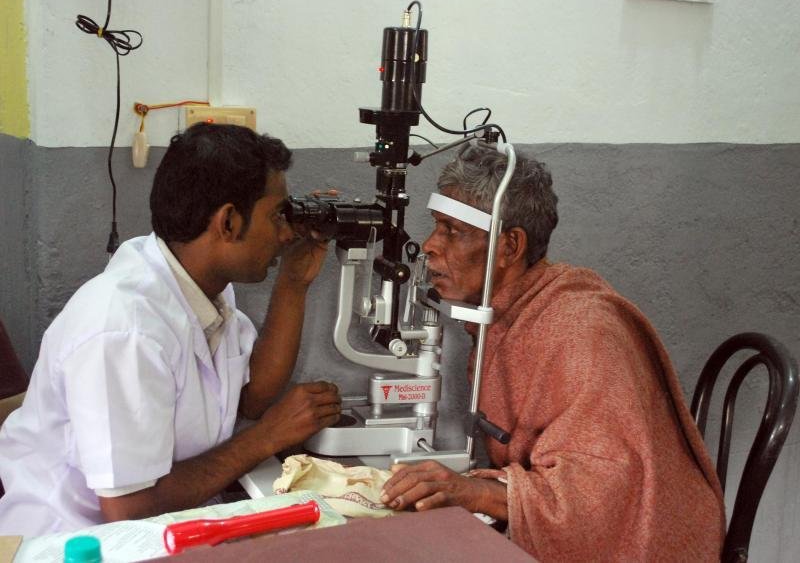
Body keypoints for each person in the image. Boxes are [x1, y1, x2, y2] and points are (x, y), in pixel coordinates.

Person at [380, 144, 725, 561]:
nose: (431, 245)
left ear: (509, 247)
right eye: (436, 226)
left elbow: (597, 495)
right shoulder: (512, 314)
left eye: (454, 231)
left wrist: (471, 490)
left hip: (646, 538)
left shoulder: (582, 332)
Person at [0, 123, 341, 536]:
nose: (286, 233)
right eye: (276, 216)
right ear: (228, 222)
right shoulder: (124, 330)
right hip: (77, 541)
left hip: (160, 527)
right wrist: (267, 437)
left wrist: (294, 282)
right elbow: (129, 508)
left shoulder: (200, 286)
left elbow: (250, 399)